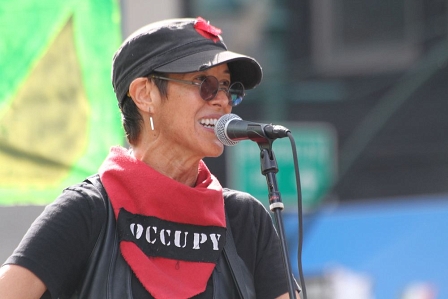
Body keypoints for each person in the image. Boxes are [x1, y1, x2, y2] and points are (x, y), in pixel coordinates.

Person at [0, 17, 300, 298]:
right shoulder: (87, 210)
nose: (222, 100)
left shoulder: (245, 218)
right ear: (145, 95)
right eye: (204, 83)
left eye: (227, 88)